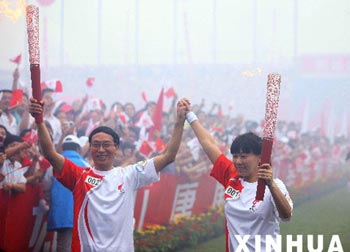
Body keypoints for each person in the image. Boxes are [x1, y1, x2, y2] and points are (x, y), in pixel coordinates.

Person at [28, 97, 187, 252]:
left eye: (106, 145)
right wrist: (39, 120)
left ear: (116, 147)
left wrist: (179, 123)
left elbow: (168, 156)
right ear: (90, 149)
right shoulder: (79, 176)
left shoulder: (129, 175)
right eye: (96, 145)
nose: (101, 150)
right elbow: (49, 153)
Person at [183, 99, 293, 252]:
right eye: (235, 156)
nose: (238, 161)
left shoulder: (274, 186)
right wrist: (189, 114)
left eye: (244, 156)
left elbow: (286, 215)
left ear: (259, 157)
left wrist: (271, 185)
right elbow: (208, 143)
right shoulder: (231, 176)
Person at [47, 134, 89, 252]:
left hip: (59, 212)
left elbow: (46, 186)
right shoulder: (86, 165)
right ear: (78, 149)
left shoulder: (54, 164)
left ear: (63, 148)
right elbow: (93, 186)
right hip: (80, 213)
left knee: (61, 245)